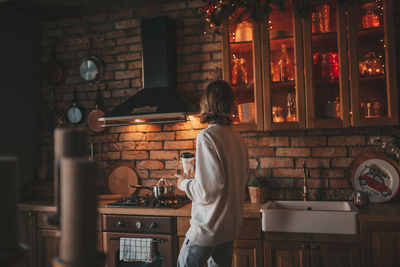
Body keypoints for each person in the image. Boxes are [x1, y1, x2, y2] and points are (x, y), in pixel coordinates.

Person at [175, 80, 250, 267]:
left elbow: (207, 191)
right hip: (228, 229)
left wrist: (183, 183)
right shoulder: (236, 137)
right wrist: (198, 178)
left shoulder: (207, 136)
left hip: (207, 230)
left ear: (206, 103)